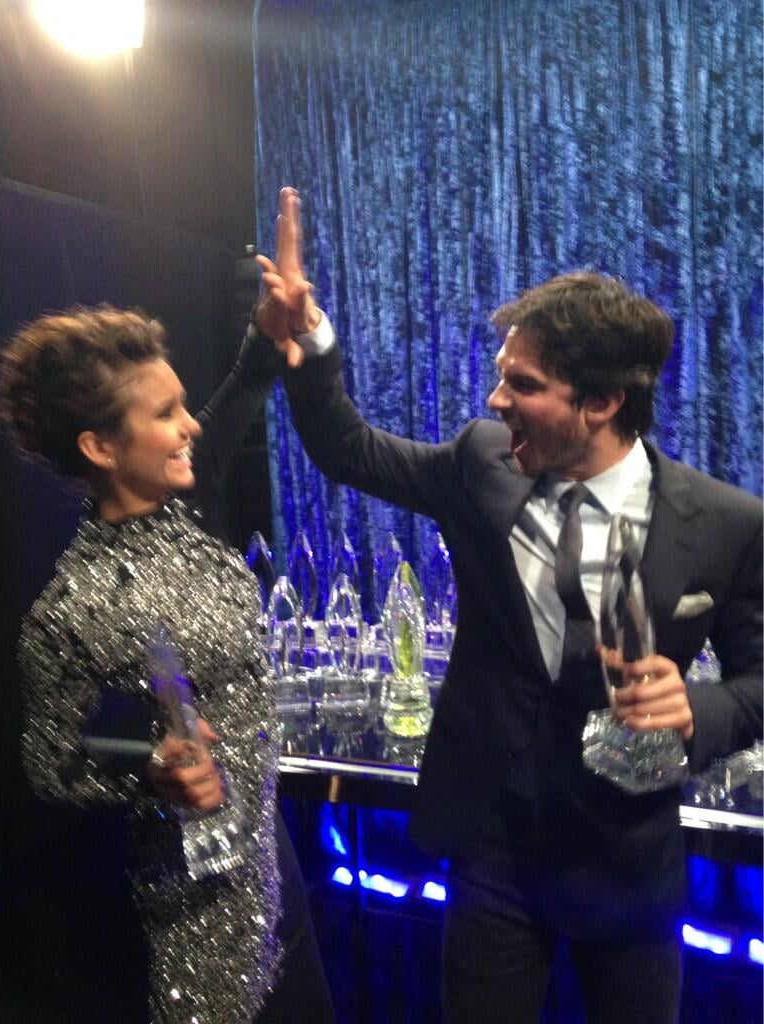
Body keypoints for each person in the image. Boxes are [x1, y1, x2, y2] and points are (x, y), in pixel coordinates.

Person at [252, 187, 763, 1024]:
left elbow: (759, 680)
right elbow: (347, 448)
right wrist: (308, 336)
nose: (494, 403)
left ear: (599, 404)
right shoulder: (481, 462)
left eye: (520, 386)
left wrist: (697, 708)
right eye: (500, 380)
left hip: (629, 861)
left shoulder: (729, 526)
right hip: (493, 851)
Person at [0, 305, 334, 1023]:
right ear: (100, 446)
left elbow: (246, 383)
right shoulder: (70, 610)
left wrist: (273, 325)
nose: (192, 425)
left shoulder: (189, 501)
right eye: (168, 413)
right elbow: (48, 765)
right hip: (191, 909)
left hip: (272, 867)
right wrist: (149, 765)